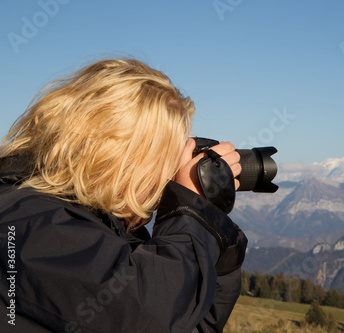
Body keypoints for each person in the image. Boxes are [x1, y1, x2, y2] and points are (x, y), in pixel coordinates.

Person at [0, 59, 247, 332]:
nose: (168, 175)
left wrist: (222, 243)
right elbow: (148, 313)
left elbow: (184, 323)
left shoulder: (97, 222)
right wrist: (192, 211)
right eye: (164, 159)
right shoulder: (26, 224)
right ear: (118, 155)